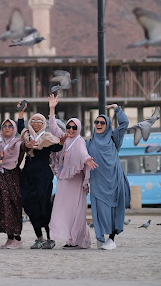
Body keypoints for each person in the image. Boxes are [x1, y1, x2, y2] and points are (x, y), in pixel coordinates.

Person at [48, 95, 97, 249]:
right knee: (61, 209)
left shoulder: (80, 140)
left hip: (75, 181)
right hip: (63, 180)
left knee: (76, 210)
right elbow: (53, 127)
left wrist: (87, 159)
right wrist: (52, 108)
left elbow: (82, 153)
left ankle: (75, 239)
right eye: (68, 127)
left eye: (73, 128)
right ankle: (69, 238)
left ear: (79, 129)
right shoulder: (63, 138)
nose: (70, 130)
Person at [17, 102, 62, 249]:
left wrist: (63, 140)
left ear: (44, 124)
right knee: (29, 203)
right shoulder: (27, 136)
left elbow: (57, 146)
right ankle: (39, 238)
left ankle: (50, 238)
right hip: (28, 172)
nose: (36, 124)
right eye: (33, 121)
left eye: (39, 121)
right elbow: (20, 127)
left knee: (44, 204)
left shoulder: (48, 137)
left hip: (43, 174)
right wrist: (21, 112)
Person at [86, 104, 130, 250]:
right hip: (98, 181)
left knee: (113, 210)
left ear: (107, 124)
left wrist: (117, 109)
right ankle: (100, 237)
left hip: (114, 180)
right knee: (98, 211)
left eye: (102, 122)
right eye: (96, 122)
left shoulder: (113, 137)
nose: (98, 124)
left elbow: (124, 123)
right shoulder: (89, 142)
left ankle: (111, 239)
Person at [0, 119, 25, 249]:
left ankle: (17, 237)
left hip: (13, 175)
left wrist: (28, 145)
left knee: (13, 204)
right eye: (4, 126)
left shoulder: (17, 142)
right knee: (2, 206)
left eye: (10, 126)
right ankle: (9, 237)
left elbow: (23, 147)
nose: (7, 128)